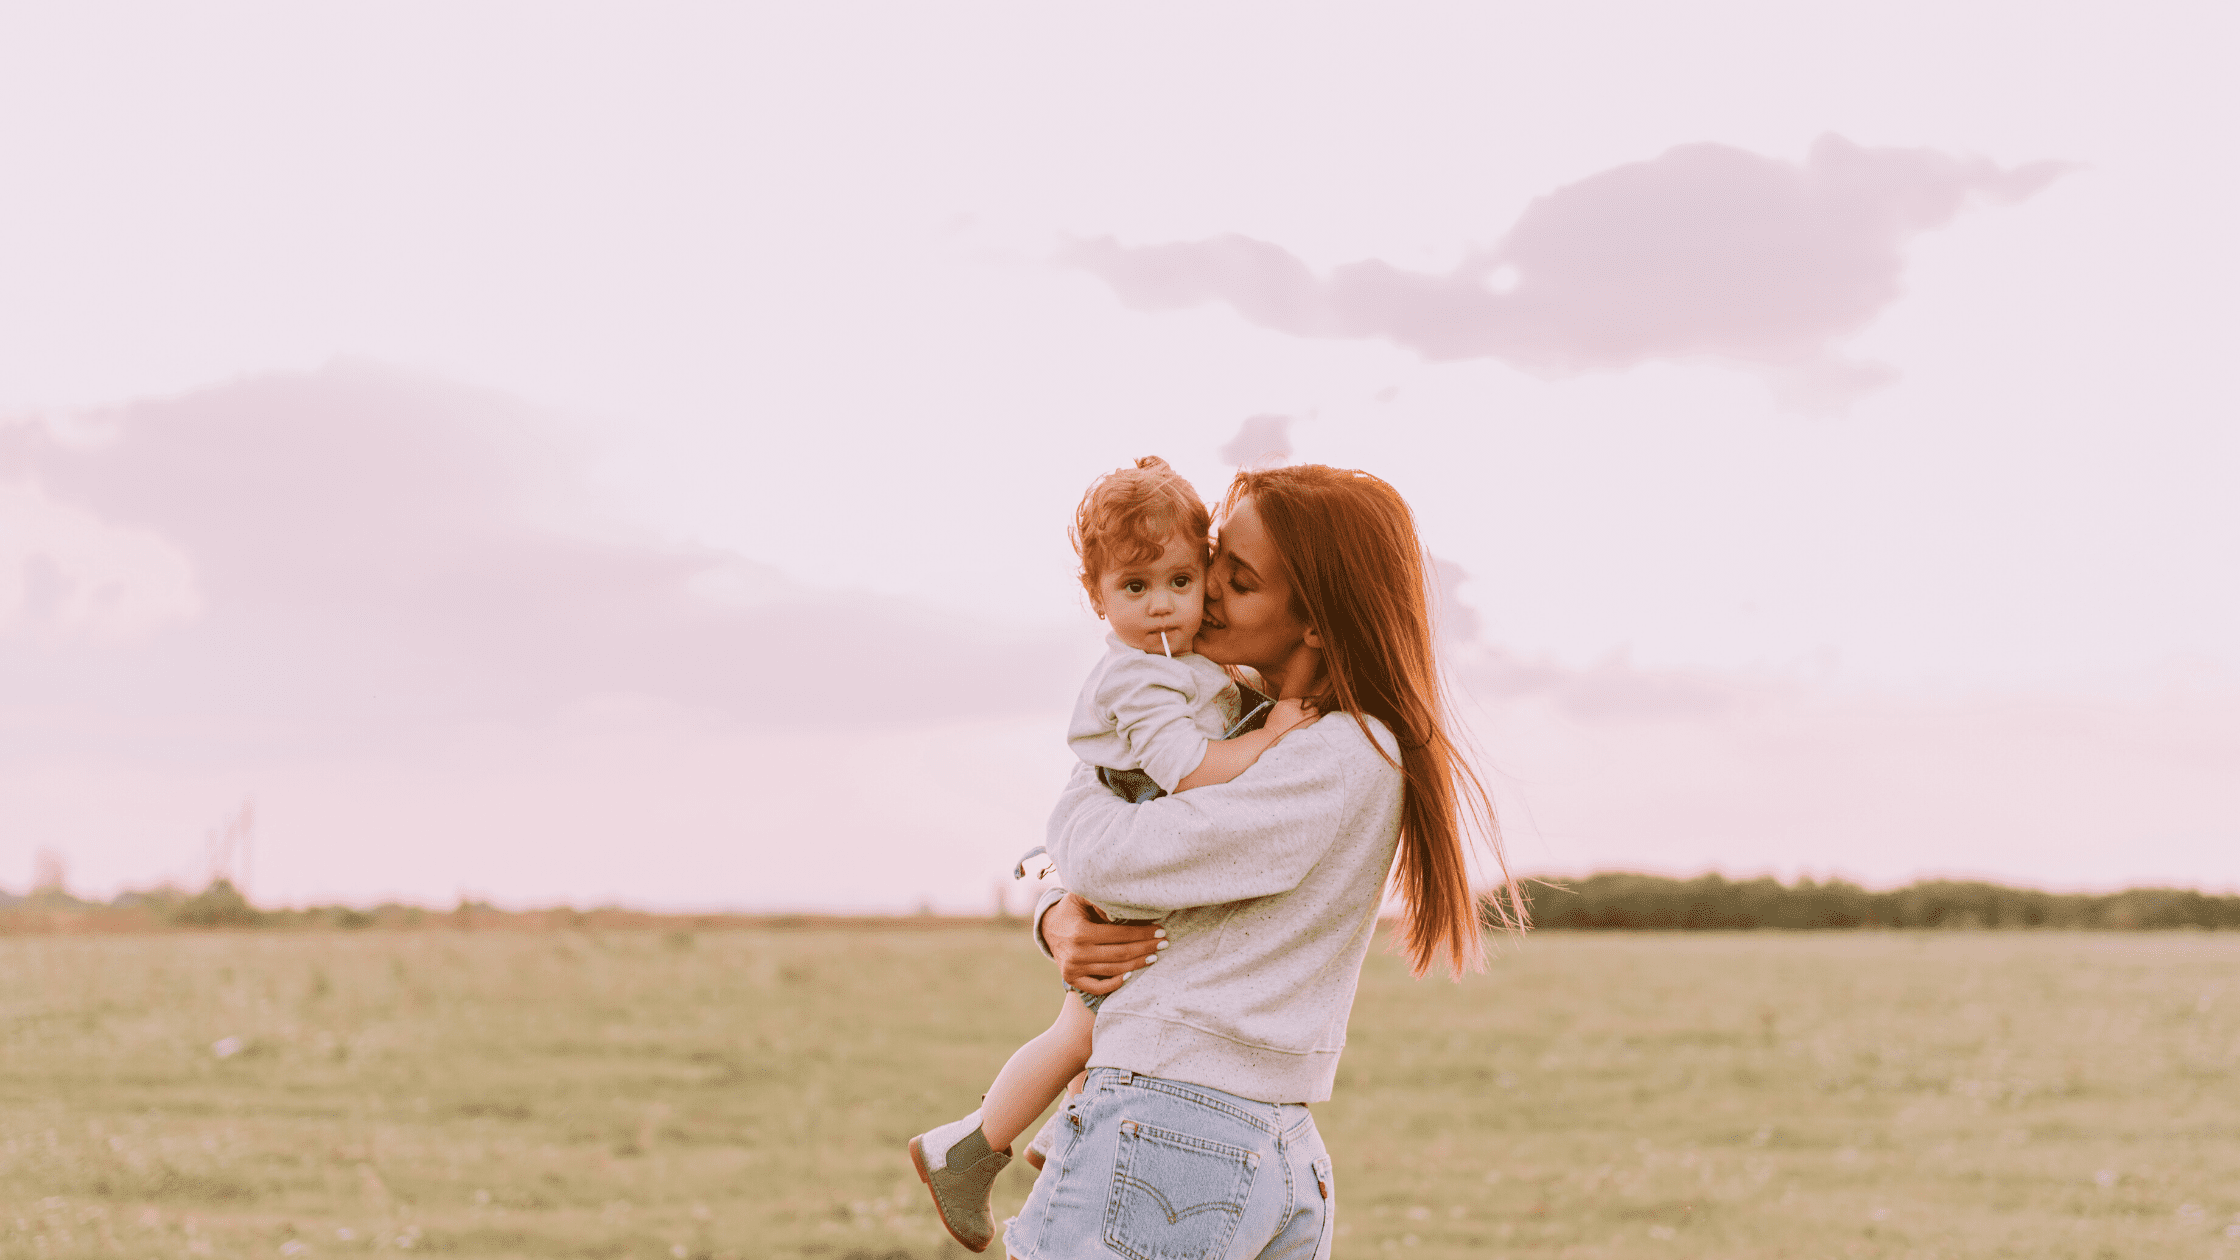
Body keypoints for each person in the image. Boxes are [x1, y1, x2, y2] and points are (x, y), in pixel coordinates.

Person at [1006, 464, 1527, 1260]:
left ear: (1316, 621)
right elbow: (1087, 843)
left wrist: (1067, 874)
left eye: (1237, 580)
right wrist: (1053, 910)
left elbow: (1110, 852)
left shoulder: (1338, 752)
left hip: (1179, 1132)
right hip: (1239, 1141)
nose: (1201, 590)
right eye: (1214, 560)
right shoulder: (1229, 718)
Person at [909, 457, 1322, 1253]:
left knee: (1099, 1026)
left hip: (1140, 854)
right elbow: (1186, 772)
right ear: (1095, 596)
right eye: (1136, 589)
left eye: (1182, 580)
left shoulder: (1187, 666)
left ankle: (1046, 1137)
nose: (1165, 605)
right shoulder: (1140, 680)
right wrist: (1271, 737)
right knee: (1087, 1028)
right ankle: (970, 1149)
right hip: (1138, 841)